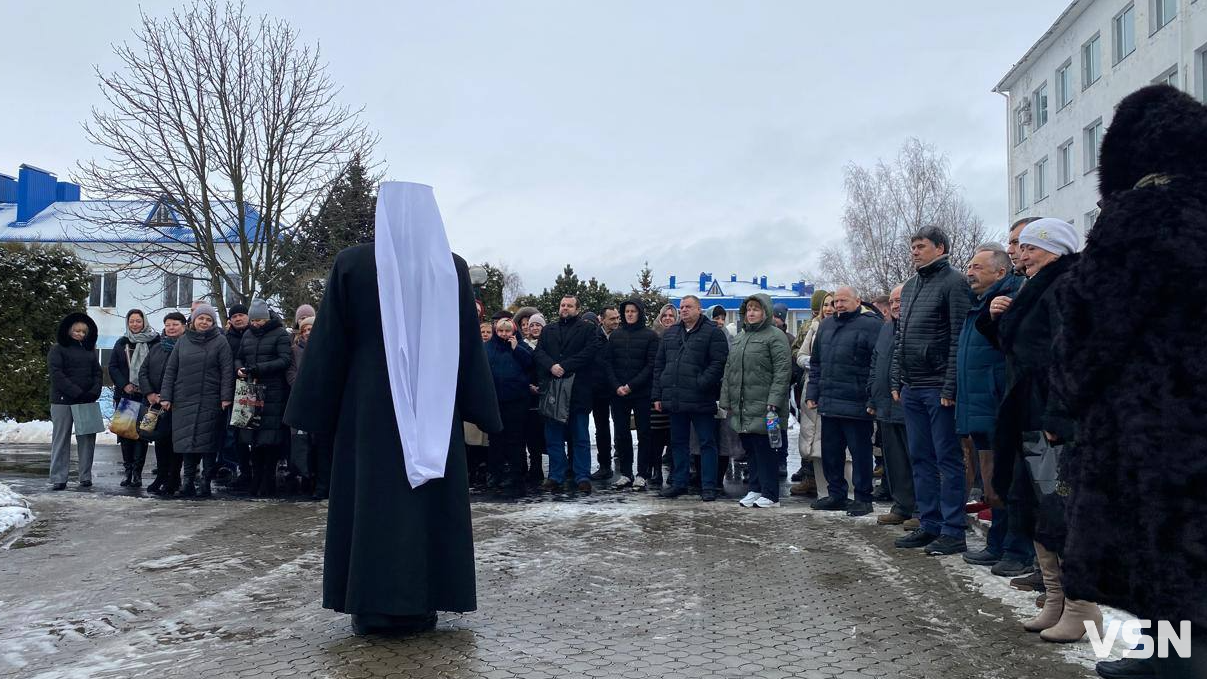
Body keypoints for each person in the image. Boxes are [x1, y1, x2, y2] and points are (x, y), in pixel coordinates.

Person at [283, 182, 501, 636]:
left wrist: (312, 411)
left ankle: (370, 605)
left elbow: (329, 343)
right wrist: (482, 405)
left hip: (368, 407)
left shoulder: (352, 263)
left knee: (372, 501)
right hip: (434, 405)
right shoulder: (451, 268)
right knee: (426, 502)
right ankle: (425, 601)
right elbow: (466, 344)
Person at [1055, 85, 1207, 678]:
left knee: (1162, 542)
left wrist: (1075, 388)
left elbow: (1096, 321)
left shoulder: (1143, 214)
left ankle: (1172, 663)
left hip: (1156, 419)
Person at [977, 217, 1103, 644]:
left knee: (1061, 510)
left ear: (1056, 249)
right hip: (1027, 412)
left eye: (1029, 247)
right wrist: (996, 318)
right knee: (1036, 505)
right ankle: (1055, 600)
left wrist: (1058, 417)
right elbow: (1022, 348)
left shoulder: (1067, 285)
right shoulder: (1034, 287)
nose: (1020, 254)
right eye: (1020, 247)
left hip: (1051, 417)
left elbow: (1072, 357)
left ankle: (1083, 610)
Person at [891, 226, 973, 555]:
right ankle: (929, 524)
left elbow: (958, 337)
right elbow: (901, 337)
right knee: (920, 458)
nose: (914, 251)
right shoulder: (911, 287)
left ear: (940, 248)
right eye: (912, 246)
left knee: (948, 460)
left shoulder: (953, 282)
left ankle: (953, 530)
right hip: (912, 388)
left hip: (939, 387)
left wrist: (950, 384)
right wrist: (896, 379)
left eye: (920, 246)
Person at [957, 245, 1033, 576]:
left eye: (977, 266)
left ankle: (1018, 550)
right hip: (981, 410)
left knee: (1013, 482)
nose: (969, 272)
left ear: (1000, 272)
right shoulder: (979, 306)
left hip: (1001, 408)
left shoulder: (1012, 299)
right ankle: (998, 544)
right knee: (995, 483)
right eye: (969, 266)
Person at [805, 287, 882, 515]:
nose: (838, 305)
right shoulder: (826, 326)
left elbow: (877, 365)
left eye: (843, 300)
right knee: (831, 453)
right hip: (829, 402)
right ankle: (836, 494)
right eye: (835, 301)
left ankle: (862, 498)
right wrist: (812, 393)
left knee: (860, 454)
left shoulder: (872, 325)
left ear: (857, 301)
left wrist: (873, 398)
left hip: (857, 404)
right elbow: (816, 363)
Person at [653, 295, 729, 501]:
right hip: (676, 397)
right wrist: (658, 394)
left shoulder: (713, 333)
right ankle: (679, 483)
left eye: (688, 307)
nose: (684, 310)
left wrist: (701, 383)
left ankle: (709, 486)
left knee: (707, 442)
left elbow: (719, 362)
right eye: (682, 307)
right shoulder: (671, 334)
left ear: (699, 309)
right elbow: (659, 365)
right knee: (678, 442)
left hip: (700, 398)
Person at [723, 294, 791, 508]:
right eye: (749, 309)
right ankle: (755, 488)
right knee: (750, 449)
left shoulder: (774, 336)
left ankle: (771, 494)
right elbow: (729, 370)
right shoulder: (741, 338)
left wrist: (774, 400)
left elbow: (782, 371)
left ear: (766, 312)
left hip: (766, 406)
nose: (751, 313)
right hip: (743, 405)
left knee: (766, 450)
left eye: (756, 309)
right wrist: (726, 398)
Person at [160, 304, 234, 498]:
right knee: (187, 444)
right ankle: (188, 483)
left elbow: (227, 371)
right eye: (201, 318)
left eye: (209, 320)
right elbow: (171, 371)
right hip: (183, 399)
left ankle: (205, 483)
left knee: (208, 444)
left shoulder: (221, 342)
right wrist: (166, 396)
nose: (204, 322)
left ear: (213, 323)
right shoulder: (183, 341)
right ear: (193, 320)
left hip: (210, 400)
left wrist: (226, 397)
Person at [534, 295, 604, 495]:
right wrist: (552, 366)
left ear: (577, 309)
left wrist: (564, 366)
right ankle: (556, 475)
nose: (565, 308)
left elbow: (589, 352)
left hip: (578, 391)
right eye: (562, 305)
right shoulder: (548, 330)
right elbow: (539, 353)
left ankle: (582, 475)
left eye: (569, 305)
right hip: (553, 390)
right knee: (553, 437)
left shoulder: (588, 329)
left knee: (580, 436)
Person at [868, 284, 917, 527]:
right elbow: (876, 364)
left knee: (914, 460)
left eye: (901, 300)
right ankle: (902, 505)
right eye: (894, 302)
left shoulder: (917, 327)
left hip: (908, 407)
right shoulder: (886, 329)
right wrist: (872, 398)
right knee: (894, 462)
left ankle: (921, 510)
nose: (897, 305)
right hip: (885, 407)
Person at [234, 299, 293, 497]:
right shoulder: (248, 335)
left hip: (273, 392)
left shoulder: (280, 334)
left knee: (270, 440)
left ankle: (268, 481)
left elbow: (284, 359)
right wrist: (239, 368)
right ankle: (255, 479)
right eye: (254, 320)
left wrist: (260, 368)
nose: (256, 323)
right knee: (253, 438)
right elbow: (239, 356)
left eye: (259, 320)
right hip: (251, 389)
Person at [603, 299, 659, 489]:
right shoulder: (615, 336)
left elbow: (651, 365)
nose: (629, 314)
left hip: (641, 392)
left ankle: (642, 473)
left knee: (644, 433)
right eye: (626, 311)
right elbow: (608, 363)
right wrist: (617, 385)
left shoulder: (650, 336)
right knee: (621, 433)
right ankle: (625, 473)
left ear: (639, 313)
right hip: (618, 393)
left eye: (633, 311)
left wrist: (631, 386)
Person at [47, 312, 103, 491]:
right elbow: (57, 374)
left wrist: (94, 391)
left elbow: (97, 372)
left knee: (87, 439)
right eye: (76, 331)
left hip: (86, 399)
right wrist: (76, 392)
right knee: (61, 439)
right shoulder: (57, 349)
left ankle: (85, 476)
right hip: (63, 401)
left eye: (83, 332)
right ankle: (58, 477)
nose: (80, 334)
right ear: (69, 331)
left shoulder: (90, 349)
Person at [108, 308, 158, 488]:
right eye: (132, 321)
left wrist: (148, 388)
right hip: (126, 395)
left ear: (144, 321)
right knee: (125, 436)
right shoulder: (121, 342)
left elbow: (158, 367)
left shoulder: (154, 342)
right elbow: (113, 367)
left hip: (146, 397)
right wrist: (125, 384)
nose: (135, 324)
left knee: (141, 436)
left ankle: (138, 473)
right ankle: (128, 472)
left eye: (138, 321)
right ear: (127, 323)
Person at [484, 317, 534, 497]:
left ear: (513, 332)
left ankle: (515, 473)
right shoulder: (488, 348)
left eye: (507, 331)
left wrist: (516, 350)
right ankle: (494, 473)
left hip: (516, 400)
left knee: (515, 439)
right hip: (495, 400)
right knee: (496, 439)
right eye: (500, 331)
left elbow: (530, 364)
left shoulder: (521, 346)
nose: (504, 335)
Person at [789, 290, 832, 496]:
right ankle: (811, 477)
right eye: (823, 306)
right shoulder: (810, 327)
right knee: (810, 434)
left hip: (834, 389)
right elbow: (797, 351)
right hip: (808, 385)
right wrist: (808, 362)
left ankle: (838, 486)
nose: (827, 310)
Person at [141, 312, 187, 496]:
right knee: (160, 441)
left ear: (184, 326)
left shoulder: (187, 347)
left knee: (175, 443)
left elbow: (186, 377)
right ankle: (161, 476)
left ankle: (174, 478)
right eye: (168, 324)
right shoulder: (157, 348)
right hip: (157, 403)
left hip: (177, 403)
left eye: (175, 324)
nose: (171, 328)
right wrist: (150, 393)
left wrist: (170, 397)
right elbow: (143, 371)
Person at [287, 315, 331, 500]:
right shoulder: (294, 351)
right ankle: (306, 480)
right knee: (303, 446)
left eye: (311, 329)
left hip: (323, 403)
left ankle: (322, 485)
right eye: (305, 330)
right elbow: (291, 373)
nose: (308, 333)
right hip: (303, 401)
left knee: (322, 447)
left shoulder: (328, 348)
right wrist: (304, 387)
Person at [648, 304, 679, 487]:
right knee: (656, 436)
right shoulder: (653, 336)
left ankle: (674, 472)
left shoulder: (681, 335)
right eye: (665, 315)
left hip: (675, 393)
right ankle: (656, 471)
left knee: (674, 436)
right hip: (655, 393)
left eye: (671, 315)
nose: (668, 318)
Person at [223, 302, 253, 488]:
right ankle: (241, 470)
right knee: (235, 435)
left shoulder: (255, 334)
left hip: (256, 388)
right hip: (234, 390)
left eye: (242, 315)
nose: (239, 318)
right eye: (234, 316)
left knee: (254, 433)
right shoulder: (226, 339)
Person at [586, 308, 617, 481]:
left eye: (617, 318)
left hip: (618, 387)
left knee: (621, 427)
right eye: (612, 319)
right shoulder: (594, 337)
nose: (616, 321)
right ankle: (604, 464)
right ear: (602, 319)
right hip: (598, 388)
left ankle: (624, 464)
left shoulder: (620, 335)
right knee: (601, 428)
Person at [521, 313, 547, 484]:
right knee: (530, 434)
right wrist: (528, 386)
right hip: (528, 395)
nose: (535, 328)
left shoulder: (548, 344)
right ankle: (535, 466)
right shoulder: (522, 346)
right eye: (532, 325)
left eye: (538, 325)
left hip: (546, 393)